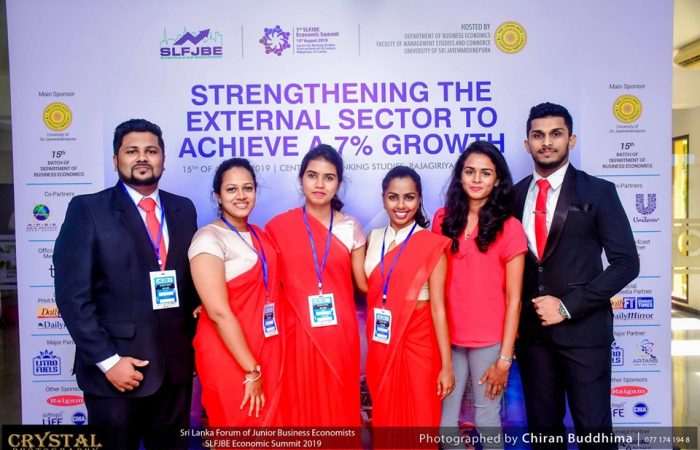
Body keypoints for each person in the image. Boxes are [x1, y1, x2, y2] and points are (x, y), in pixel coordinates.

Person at [53, 119, 198, 450]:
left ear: (163, 159)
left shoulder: (183, 209)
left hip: (174, 373)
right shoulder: (88, 210)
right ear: (116, 159)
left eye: (151, 151)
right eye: (132, 151)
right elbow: (73, 297)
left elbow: (188, 283)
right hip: (116, 376)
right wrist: (108, 361)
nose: (142, 157)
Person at [513, 102, 639, 449]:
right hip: (533, 338)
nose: (546, 142)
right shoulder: (514, 195)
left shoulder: (598, 191)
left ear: (571, 140)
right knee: (544, 434)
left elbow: (626, 263)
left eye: (556, 134)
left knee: (594, 434)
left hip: (585, 334)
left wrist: (567, 306)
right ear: (527, 143)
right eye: (538, 135)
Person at [266, 144, 366, 427]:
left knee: (339, 406)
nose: (320, 184)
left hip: (339, 332)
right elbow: (262, 282)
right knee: (300, 406)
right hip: (296, 332)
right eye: (312, 176)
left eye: (329, 177)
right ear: (301, 179)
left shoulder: (351, 227)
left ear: (339, 183)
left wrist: (413, 290)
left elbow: (363, 284)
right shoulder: (278, 227)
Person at [435, 141, 527, 445]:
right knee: (445, 423)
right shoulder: (442, 220)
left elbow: (514, 299)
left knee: (487, 419)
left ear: (497, 179)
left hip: (489, 340)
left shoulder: (510, 227)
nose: (476, 179)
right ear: (460, 176)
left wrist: (504, 359)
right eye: (469, 171)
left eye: (485, 173)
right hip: (448, 338)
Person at [188, 158, 283, 427]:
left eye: (247, 188)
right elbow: (218, 313)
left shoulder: (259, 234)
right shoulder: (208, 238)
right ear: (218, 195)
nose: (241, 196)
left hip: (265, 346)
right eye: (231, 189)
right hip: (230, 353)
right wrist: (252, 371)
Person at [364, 166, 454, 432]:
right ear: (383, 198)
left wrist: (447, 365)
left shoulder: (432, 244)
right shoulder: (372, 238)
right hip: (381, 343)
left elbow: (438, 309)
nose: (401, 205)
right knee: (385, 420)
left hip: (420, 345)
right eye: (393, 197)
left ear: (420, 199)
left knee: (420, 420)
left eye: (409, 197)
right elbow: (369, 288)